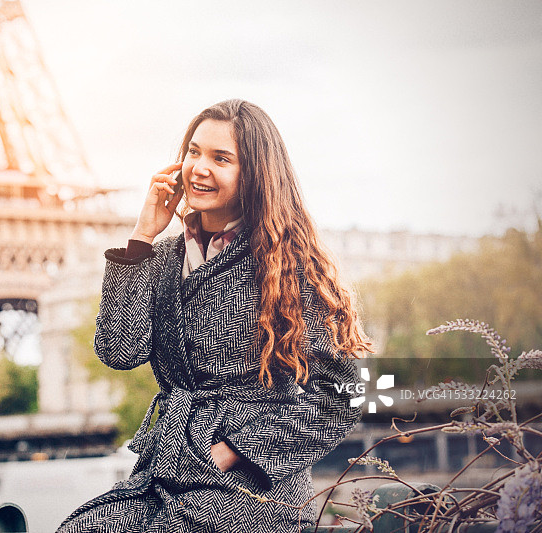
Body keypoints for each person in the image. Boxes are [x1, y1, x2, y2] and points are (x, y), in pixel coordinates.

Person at [57, 99, 372, 532]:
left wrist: (236, 449)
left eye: (221, 158)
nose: (199, 168)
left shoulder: (287, 265)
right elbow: (119, 351)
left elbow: (347, 392)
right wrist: (141, 237)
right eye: (193, 151)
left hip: (252, 490)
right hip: (166, 473)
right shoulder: (162, 257)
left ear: (254, 175)